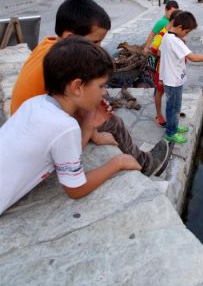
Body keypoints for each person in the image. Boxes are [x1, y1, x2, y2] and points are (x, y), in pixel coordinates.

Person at [10, 0, 171, 175]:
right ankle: (146, 165)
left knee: (102, 101)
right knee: (113, 121)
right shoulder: (67, 64)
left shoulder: (49, 45)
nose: (99, 48)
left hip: (23, 122)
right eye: (95, 42)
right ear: (70, 37)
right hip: (37, 139)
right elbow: (79, 105)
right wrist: (94, 132)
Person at [0, 37, 144, 215]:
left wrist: (89, 125)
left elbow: (66, 155)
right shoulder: (65, 126)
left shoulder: (35, 103)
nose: (104, 92)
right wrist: (118, 162)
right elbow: (76, 188)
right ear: (77, 87)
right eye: (101, 86)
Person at [159, 11, 203, 144]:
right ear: (179, 27)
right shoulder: (175, 41)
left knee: (175, 106)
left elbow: (164, 56)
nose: (187, 34)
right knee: (173, 107)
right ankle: (170, 133)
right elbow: (193, 57)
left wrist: (161, 77)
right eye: (186, 32)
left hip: (172, 79)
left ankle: (174, 126)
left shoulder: (168, 36)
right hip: (173, 81)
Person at [143, 0, 179, 126]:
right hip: (160, 61)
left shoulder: (173, 24)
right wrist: (146, 47)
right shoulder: (162, 23)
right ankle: (159, 114)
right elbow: (152, 36)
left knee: (165, 89)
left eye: (176, 13)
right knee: (159, 89)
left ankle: (169, 114)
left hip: (168, 62)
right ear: (166, 10)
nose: (173, 15)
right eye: (172, 12)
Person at [149, 9, 182, 127]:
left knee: (171, 95)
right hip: (162, 69)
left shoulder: (176, 32)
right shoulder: (163, 33)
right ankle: (159, 115)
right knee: (160, 91)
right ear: (173, 20)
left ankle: (172, 119)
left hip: (173, 70)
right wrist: (162, 54)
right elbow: (153, 49)